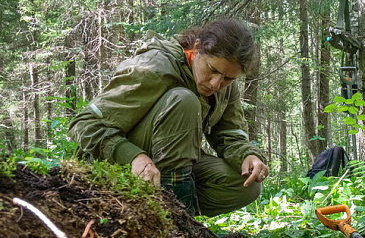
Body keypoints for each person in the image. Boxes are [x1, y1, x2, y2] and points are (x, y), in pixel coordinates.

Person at [68, 18, 268, 217]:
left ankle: (176, 217)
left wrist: (248, 156)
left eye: (228, 78)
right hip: (113, 168)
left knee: (245, 185)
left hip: (167, 168)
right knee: (184, 100)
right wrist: (133, 157)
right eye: (212, 70)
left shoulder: (226, 87)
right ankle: (172, 222)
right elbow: (84, 124)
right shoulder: (154, 67)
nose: (216, 83)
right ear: (197, 47)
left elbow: (228, 134)